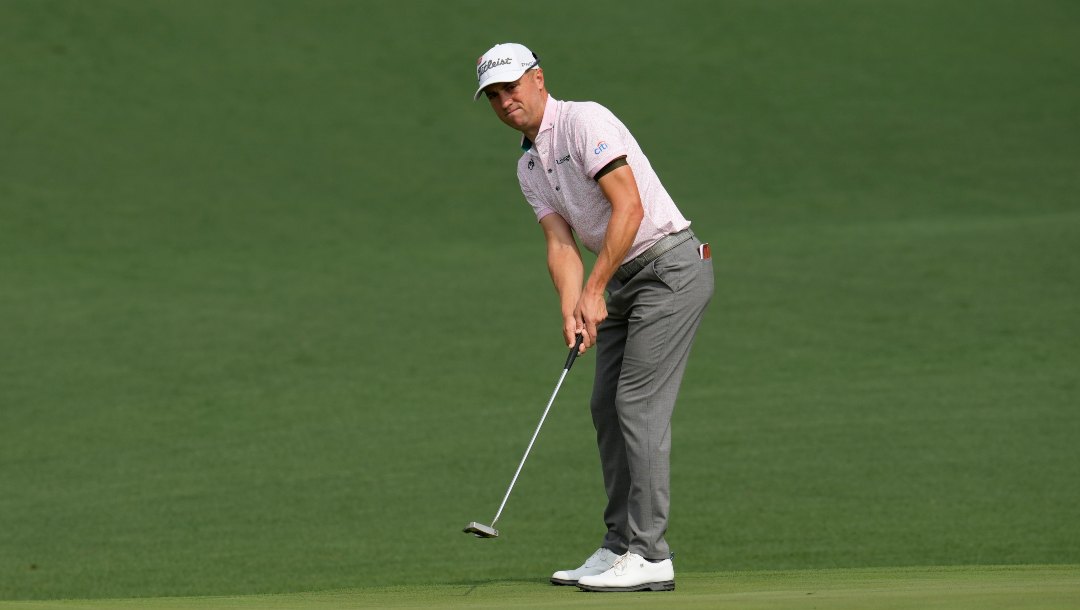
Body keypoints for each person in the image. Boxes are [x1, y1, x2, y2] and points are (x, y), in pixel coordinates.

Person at [473, 42, 714, 593]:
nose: (505, 101)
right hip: (624, 281)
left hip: (669, 269)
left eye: (511, 87)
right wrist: (571, 307)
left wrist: (596, 288)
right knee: (606, 404)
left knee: (637, 402)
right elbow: (560, 244)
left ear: (538, 79)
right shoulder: (529, 163)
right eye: (493, 95)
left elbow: (627, 206)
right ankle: (617, 546)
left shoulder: (584, 120)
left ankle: (651, 554)